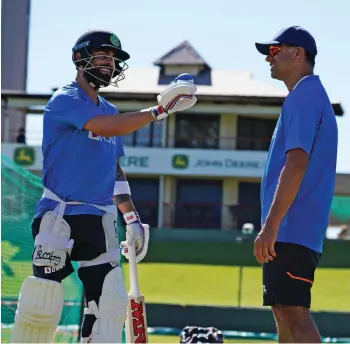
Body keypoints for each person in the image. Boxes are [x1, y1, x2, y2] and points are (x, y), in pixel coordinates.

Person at [10, 30, 197, 343]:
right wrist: (158, 111)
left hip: (99, 219)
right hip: (60, 215)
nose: (109, 64)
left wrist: (132, 218)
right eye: (102, 56)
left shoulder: (110, 109)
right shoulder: (65, 99)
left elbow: (114, 170)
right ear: (80, 59)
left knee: (108, 307)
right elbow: (103, 126)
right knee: (41, 305)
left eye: (113, 59)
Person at [253, 26, 338, 343]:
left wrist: (271, 225)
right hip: (296, 230)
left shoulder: (304, 96)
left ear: (298, 53)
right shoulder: (308, 95)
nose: (268, 59)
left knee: (292, 312)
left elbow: (297, 162)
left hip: (291, 229)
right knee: (284, 312)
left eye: (274, 51)